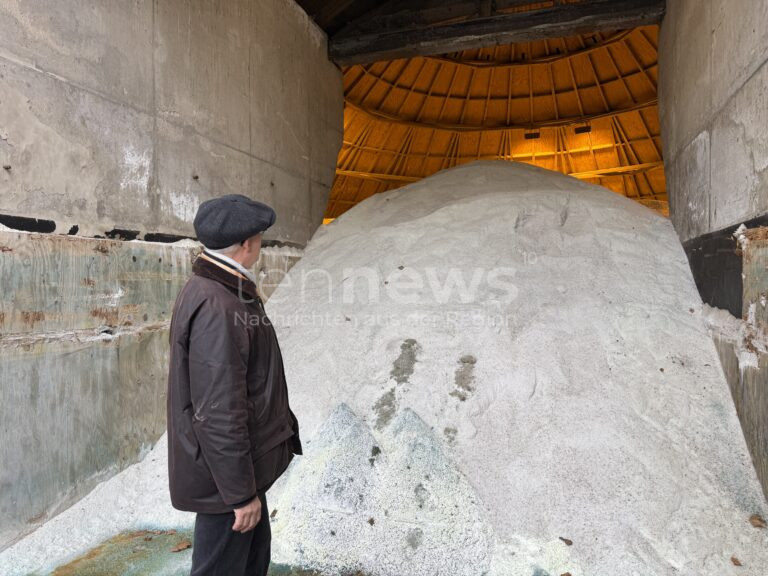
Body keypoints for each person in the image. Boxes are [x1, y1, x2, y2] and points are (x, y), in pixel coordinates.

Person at [166, 194, 302, 576]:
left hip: (238, 473)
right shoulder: (219, 304)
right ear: (247, 244)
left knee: (250, 565)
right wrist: (241, 495)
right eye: (260, 236)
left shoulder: (221, 287)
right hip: (226, 486)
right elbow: (218, 411)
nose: (260, 243)